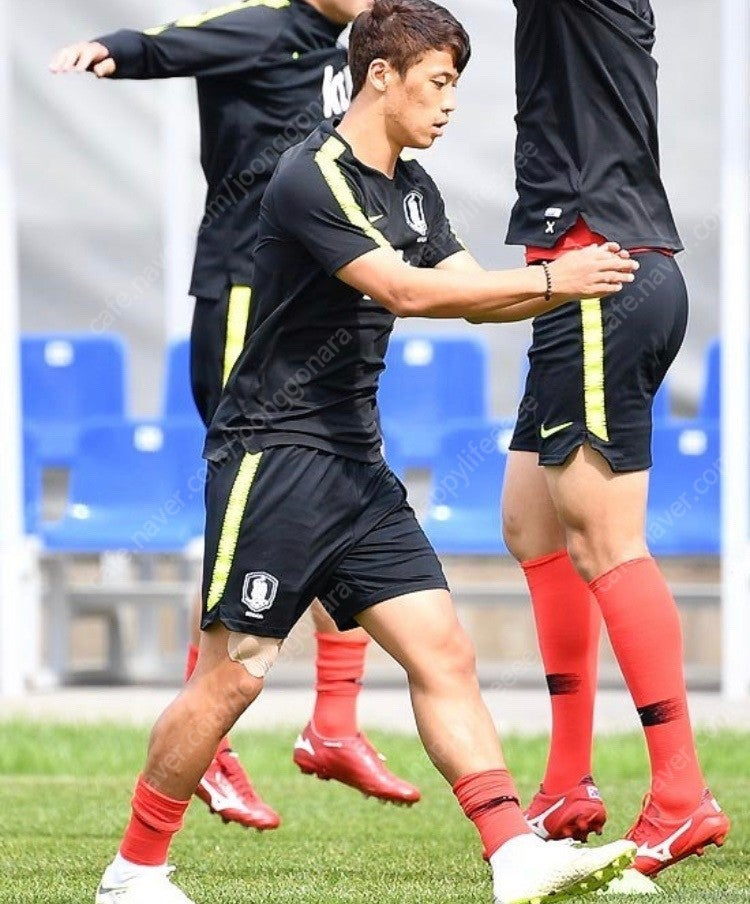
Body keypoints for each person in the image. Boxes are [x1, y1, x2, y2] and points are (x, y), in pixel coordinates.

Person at [92, 1, 642, 901]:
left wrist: (582, 284)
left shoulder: (414, 186)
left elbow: (468, 296)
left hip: (356, 464)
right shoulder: (311, 173)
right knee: (237, 677)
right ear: (379, 74)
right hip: (274, 460)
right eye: (440, 81)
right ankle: (135, 869)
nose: (451, 102)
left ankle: (513, 858)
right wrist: (553, 277)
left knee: (444, 654)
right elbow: (402, 290)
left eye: (457, 83)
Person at [49, 0, 422, 827]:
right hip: (244, 295)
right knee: (248, 503)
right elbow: (162, 46)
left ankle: (332, 721)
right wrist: (106, 50)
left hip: (308, 303)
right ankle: (209, 749)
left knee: (337, 490)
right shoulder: (257, 26)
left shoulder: (360, 53)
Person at [500, 0, 731, 879]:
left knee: (607, 541)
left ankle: (681, 795)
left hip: (602, 272)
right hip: (584, 277)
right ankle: (567, 782)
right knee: (531, 522)